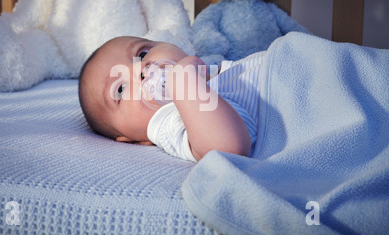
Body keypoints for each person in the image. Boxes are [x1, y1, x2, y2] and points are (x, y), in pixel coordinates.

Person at [78, 36, 264, 162]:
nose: (140, 69)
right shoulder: (168, 121)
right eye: (120, 89)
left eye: (142, 54)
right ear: (132, 139)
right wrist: (184, 81)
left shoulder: (214, 71)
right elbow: (229, 148)